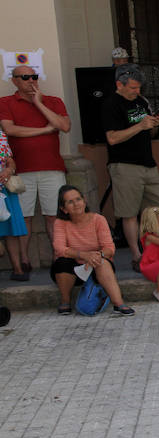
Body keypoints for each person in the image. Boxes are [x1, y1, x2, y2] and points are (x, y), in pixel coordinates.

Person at [0, 65, 71, 272]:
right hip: (21, 170)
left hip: (52, 167)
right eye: (25, 77)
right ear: (14, 80)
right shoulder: (5, 102)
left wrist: (39, 104)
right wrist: (44, 130)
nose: (31, 80)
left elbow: (64, 126)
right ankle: (24, 260)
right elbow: (10, 129)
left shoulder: (53, 101)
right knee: (24, 217)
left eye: (34, 76)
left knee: (54, 216)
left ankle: (59, 256)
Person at [101, 63, 159, 272]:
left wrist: (154, 125)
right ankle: (136, 255)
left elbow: (150, 134)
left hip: (148, 163)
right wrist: (140, 125)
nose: (137, 91)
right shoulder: (110, 104)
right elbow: (112, 138)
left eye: (139, 87)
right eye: (132, 88)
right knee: (129, 213)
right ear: (119, 84)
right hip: (124, 165)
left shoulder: (141, 101)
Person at [51, 185, 134, 316]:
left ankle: (119, 304)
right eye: (70, 202)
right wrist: (84, 255)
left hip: (96, 264)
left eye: (78, 199)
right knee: (61, 263)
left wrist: (95, 256)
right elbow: (59, 248)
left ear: (84, 201)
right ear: (64, 209)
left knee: (102, 262)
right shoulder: (60, 223)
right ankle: (65, 301)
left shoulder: (98, 219)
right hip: (75, 267)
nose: (76, 204)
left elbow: (109, 248)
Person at [0, 131, 27, 281]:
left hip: (4, 188)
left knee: (11, 230)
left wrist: (8, 170)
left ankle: (18, 269)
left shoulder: (0, 136)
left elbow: (10, 161)